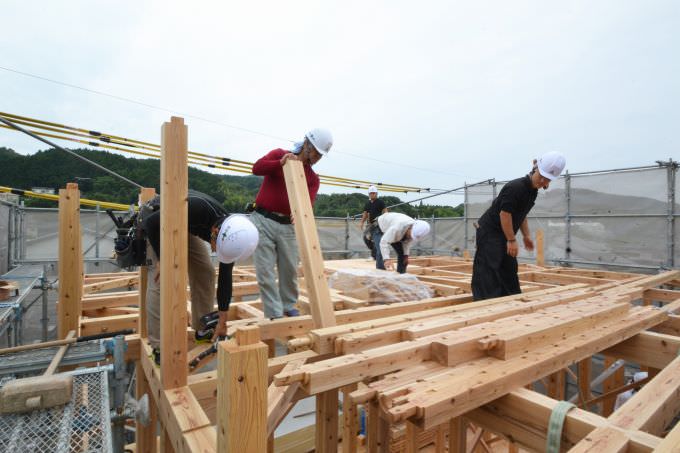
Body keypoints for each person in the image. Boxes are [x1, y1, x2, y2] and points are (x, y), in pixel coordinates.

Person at [143, 190, 258, 363]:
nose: (214, 250)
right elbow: (150, 222)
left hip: (184, 223)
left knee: (206, 271)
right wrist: (160, 259)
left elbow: (225, 280)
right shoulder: (197, 208)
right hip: (158, 225)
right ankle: (159, 347)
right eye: (215, 246)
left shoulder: (231, 237)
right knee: (161, 280)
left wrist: (223, 321)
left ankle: (203, 327)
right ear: (215, 231)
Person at [251, 128, 333, 319]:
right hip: (263, 220)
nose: (317, 157)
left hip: (288, 225)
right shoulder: (280, 154)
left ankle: (288, 305)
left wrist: (301, 213)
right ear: (307, 145)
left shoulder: (313, 178)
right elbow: (257, 168)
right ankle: (274, 313)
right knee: (265, 270)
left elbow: (308, 203)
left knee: (289, 269)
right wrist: (280, 163)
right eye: (316, 152)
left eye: (321, 155)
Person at [471, 151, 566, 300]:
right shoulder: (516, 187)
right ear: (535, 169)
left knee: (508, 268)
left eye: (547, 180)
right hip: (490, 232)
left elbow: (521, 215)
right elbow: (505, 214)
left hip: (504, 232)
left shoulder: (532, 191)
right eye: (541, 176)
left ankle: (510, 300)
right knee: (489, 270)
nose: (543, 182)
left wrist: (526, 236)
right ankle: (485, 304)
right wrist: (511, 239)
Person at [359, 185, 387, 259]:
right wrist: (362, 222)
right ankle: (374, 253)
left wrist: (385, 223)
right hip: (370, 224)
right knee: (366, 238)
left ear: (376, 194)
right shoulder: (368, 203)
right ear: (369, 194)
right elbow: (365, 214)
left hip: (378, 224)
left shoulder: (380, 202)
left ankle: (374, 256)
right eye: (371, 193)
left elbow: (385, 212)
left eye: (374, 193)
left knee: (376, 239)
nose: (372, 194)